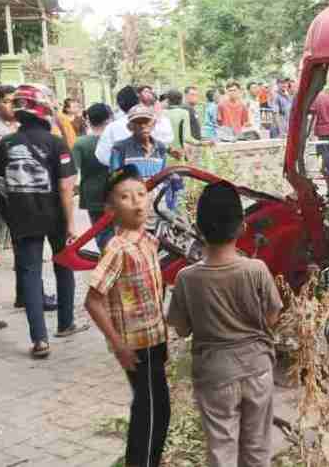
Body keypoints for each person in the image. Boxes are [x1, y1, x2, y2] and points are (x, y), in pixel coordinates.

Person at [166, 181, 282, 467]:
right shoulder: (257, 270)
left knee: (221, 450)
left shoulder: (186, 278)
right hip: (257, 369)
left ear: (199, 228)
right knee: (257, 449)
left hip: (214, 374)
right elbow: (273, 316)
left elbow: (181, 329)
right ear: (242, 227)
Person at [85, 165, 170, 467]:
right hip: (136, 346)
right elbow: (93, 300)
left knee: (157, 409)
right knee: (150, 412)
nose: (136, 202)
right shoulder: (118, 249)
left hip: (155, 338)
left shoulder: (148, 241)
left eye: (141, 194)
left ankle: (150, 460)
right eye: (125, 197)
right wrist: (118, 344)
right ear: (110, 209)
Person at [0, 85, 85, 358]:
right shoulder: (56, 144)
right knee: (63, 266)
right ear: (44, 110)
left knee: (30, 274)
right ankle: (66, 323)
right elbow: (66, 188)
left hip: (22, 218)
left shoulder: (5, 144)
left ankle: (40, 340)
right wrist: (70, 225)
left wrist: (11, 217)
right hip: (54, 215)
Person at [96, 86, 174, 167]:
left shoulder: (112, 127)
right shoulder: (154, 121)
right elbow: (168, 139)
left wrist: (121, 164)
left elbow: (101, 155)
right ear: (140, 101)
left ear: (120, 105)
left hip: (126, 175)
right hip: (153, 173)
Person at [74, 103, 113, 249]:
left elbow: (74, 171)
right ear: (109, 119)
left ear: (88, 120)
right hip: (115, 193)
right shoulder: (116, 141)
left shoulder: (81, 143)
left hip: (92, 195)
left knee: (100, 231)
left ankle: (106, 260)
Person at [164, 89, 199, 157]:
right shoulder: (184, 112)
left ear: (168, 100)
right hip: (179, 152)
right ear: (181, 100)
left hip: (166, 152)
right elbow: (187, 137)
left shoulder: (162, 113)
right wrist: (200, 143)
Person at [310, 89, 329, 175]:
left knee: (322, 153)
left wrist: (310, 132)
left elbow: (313, 117)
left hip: (321, 131)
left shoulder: (315, 99)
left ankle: (326, 172)